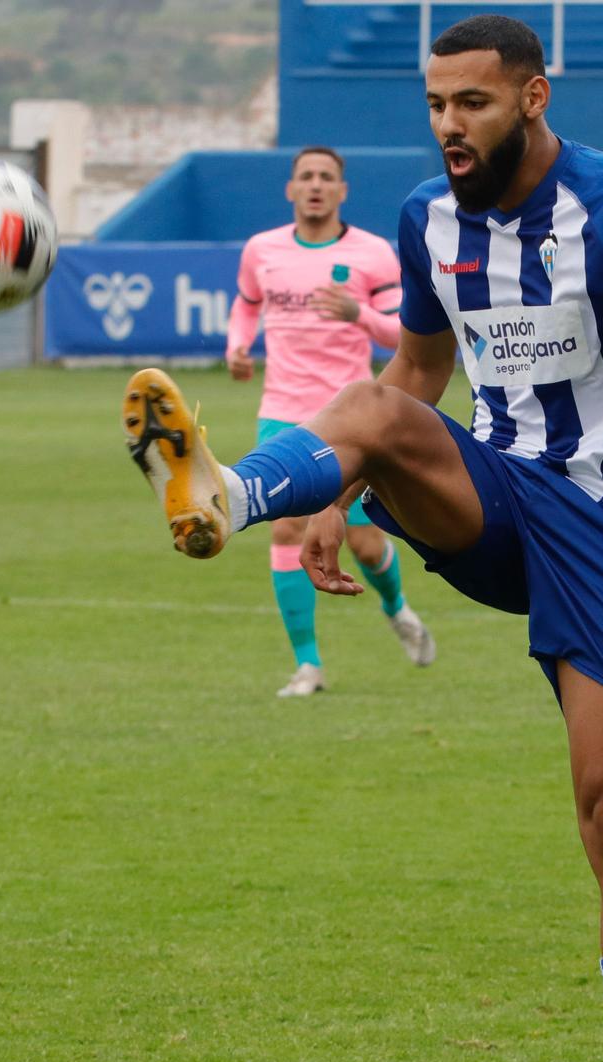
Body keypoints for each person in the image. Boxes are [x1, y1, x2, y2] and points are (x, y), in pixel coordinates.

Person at [122, 15, 603, 1062]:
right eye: (435, 103)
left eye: (473, 104)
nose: (448, 125)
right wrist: (327, 484)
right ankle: (227, 497)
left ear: (531, 98)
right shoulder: (424, 223)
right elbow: (413, 381)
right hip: (494, 495)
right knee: (365, 407)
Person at [226, 146, 437, 696]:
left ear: (343, 191)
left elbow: (403, 337)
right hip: (281, 413)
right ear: (290, 189)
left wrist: (357, 314)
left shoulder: (372, 254)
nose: (316, 185)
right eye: (306, 177)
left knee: (364, 546)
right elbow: (247, 303)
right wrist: (237, 345)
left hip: (349, 419)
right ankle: (308, 666)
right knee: (286, 528)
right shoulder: (262, 250)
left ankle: (396, 609)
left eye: (327, 178)